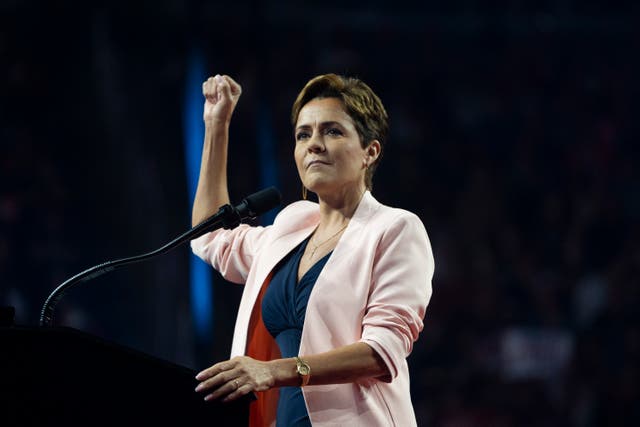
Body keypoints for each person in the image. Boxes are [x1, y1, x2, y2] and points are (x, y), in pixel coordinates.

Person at [191, 73, 434, 426]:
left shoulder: (395, 229)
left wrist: (274, 371)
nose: (314, 144)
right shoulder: (292, 226)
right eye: (303, 134)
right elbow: (210, 238)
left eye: (332, 131)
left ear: (370, 151)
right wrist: (217, 125)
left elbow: (382, 352)